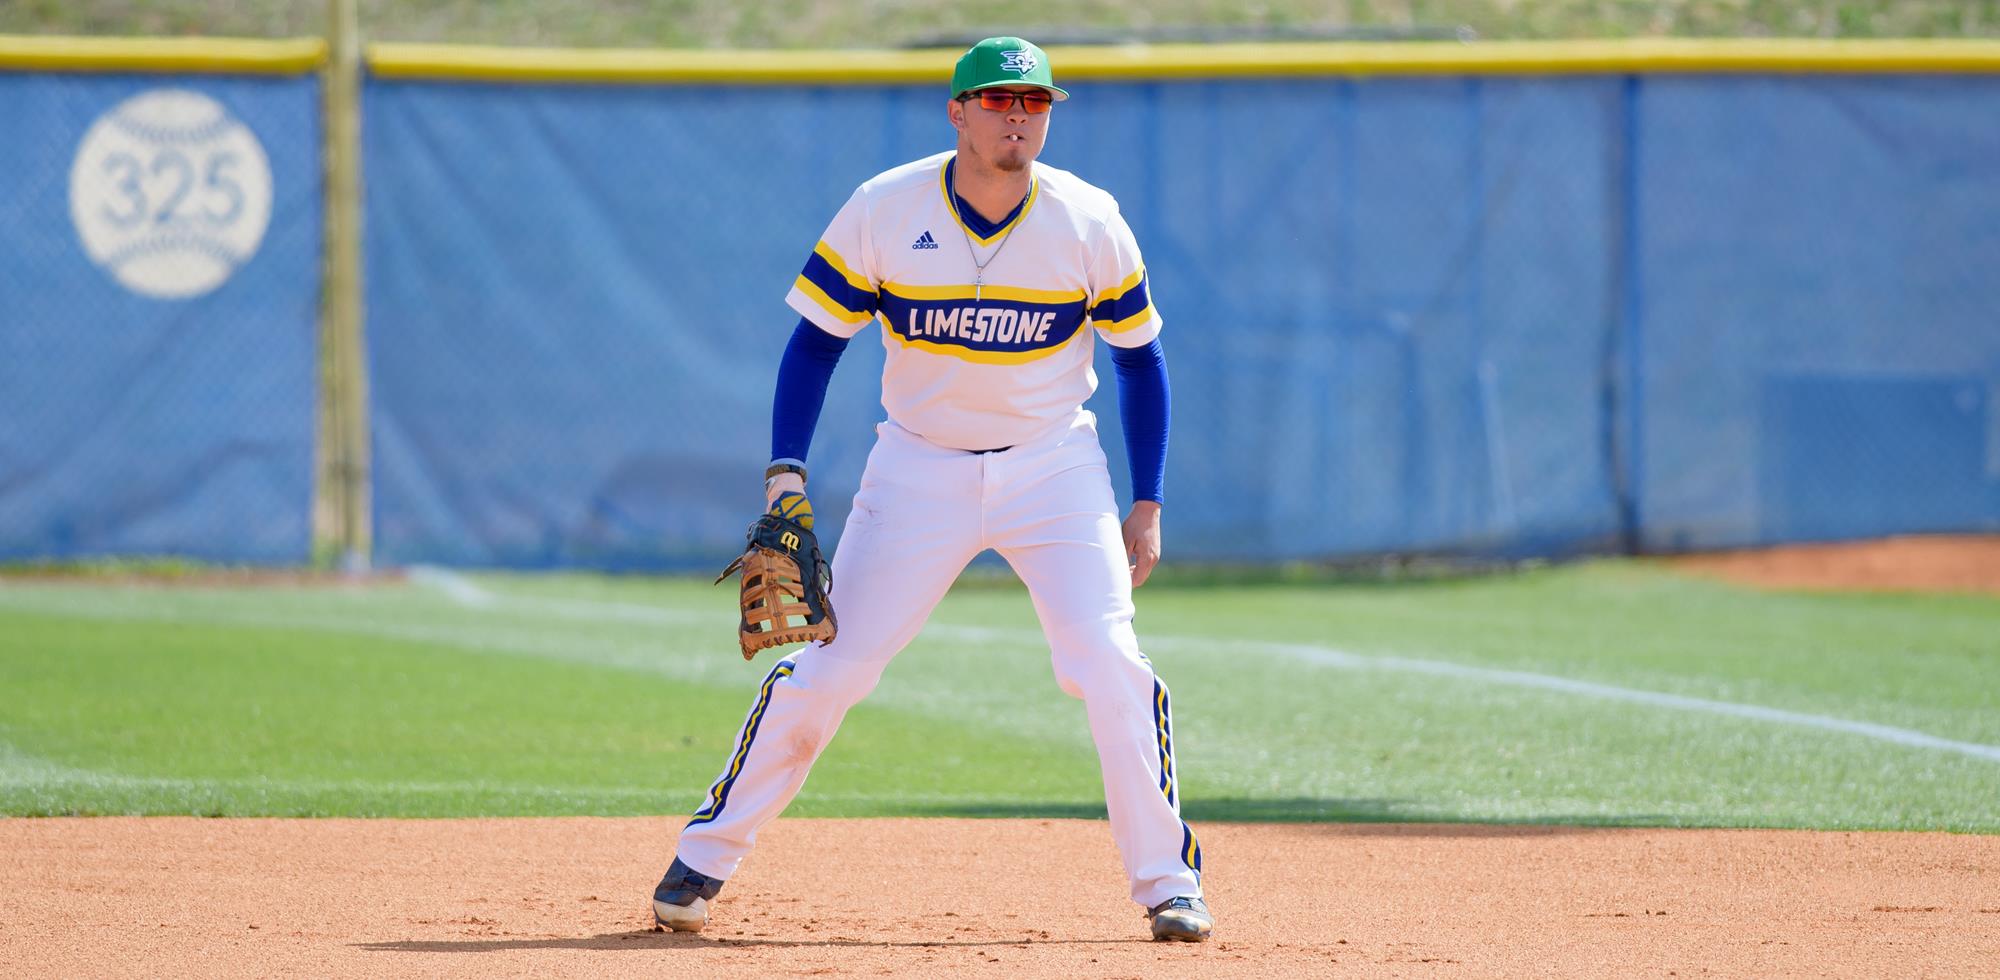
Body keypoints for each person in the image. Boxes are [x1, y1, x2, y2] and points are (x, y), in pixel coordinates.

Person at [651, 36, 1210, 943]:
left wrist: (1145, 499)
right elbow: (816, 344)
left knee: (1109, 663)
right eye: (997, 101)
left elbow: (1141, 362)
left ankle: (1167, 883)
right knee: (835, 664)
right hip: (916, 467)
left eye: (1033, 104)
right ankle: (704, 858)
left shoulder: (1087, 218)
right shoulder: (885, 207)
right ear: (957, 113)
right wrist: (785, 468)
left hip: (1055, 467)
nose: (1018, 117)